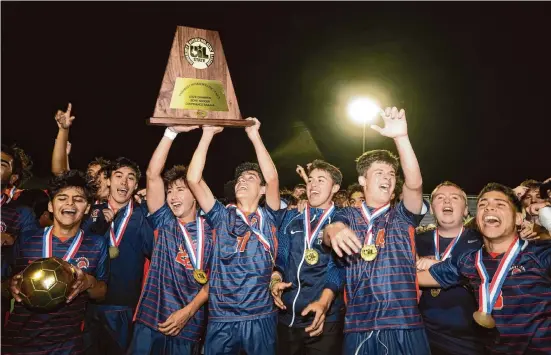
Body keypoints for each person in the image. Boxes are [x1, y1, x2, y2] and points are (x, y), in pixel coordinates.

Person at [323, 107, 430, 354]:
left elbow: (415, 185)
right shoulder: (348, 214)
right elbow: (330, 231)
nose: (388, 177)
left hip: (404, 323)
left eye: (391, 174)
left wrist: (401, 138)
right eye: (379, 173)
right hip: (359, 324)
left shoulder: (403, 216)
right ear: (362, 181)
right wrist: (335, 229)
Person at [419, 183, 551, 355]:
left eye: (500, 204)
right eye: (483, 205)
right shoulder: (469, 260)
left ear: (519, 218)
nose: (489, 208)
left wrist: (545, 211)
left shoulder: (541, 254)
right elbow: (414, 278)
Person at [187, 119, 280, 355]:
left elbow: (272, 179)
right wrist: (207, 135)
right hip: (222, 317)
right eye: (239, 178)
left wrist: (254, 135)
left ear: (261, 190)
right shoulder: (221, 216)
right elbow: (193, 180)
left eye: (250, 177)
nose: (242, 180)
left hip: (260, 315)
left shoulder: (270, 216)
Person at [2, 170, 109, 355]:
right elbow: (3, 285)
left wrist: (88, 283)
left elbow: (102, 292)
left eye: (78, 199)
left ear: (88, 208)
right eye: (62, 198)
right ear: (51, 206)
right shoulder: (27, 239)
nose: (70, 203)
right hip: (19, 342)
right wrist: (9, 286)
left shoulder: (97, 244)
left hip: (66, 345)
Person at [128, 125, 214, 355]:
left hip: (188, 324)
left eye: (180, 190)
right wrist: (171, 133)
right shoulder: (165, 222)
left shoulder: (214, 230)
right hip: (151, 318)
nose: (173, 197)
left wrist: (187, 312)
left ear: (196, 194)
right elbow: (152, 175)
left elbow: (214, 280)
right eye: (170, 191)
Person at [272, 159, 345, 355]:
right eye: (311, 180)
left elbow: (339, 266)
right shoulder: (292, 217)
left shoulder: (341, 220)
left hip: (324, 319)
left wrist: (324, 301)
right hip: (286, 317)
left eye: (321, 180)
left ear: (335, 187)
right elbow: (282, 256)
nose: (313, 185)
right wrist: (276, 277)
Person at [83, 157, 154, 355]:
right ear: (108, 181)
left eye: (130, 178)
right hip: (87, 302)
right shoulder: (91, 213)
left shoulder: (143, 216)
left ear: (136, 185)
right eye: (118, 176)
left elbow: (156, 254)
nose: (124, 182)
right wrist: (95, 228)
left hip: (123, 306)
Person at [415, 181, 484, 355]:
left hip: (470, 338)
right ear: (431, 209)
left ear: (466, 209)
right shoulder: (415, 241)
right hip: (423, 334)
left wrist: (436, 265)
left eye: (454, 198)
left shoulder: (482, 240)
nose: (447, 202)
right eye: (440, 198)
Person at [50, 104, 112, 236]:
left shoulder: (125, 206)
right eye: (90, 174)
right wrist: (63, 131)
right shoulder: (83, 201)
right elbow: (61, 173)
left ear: (110, 180)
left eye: (100, 175)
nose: (93, 178)